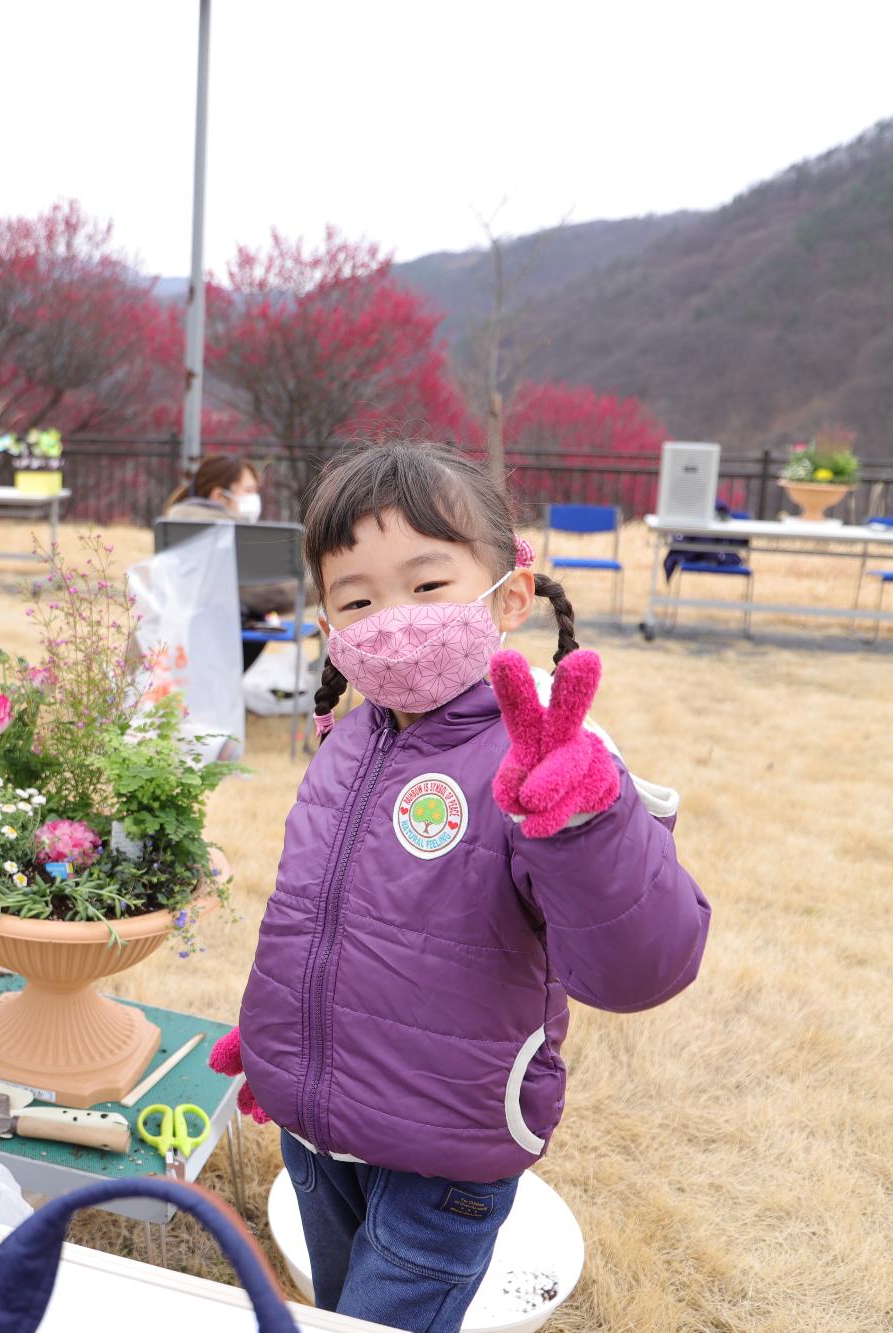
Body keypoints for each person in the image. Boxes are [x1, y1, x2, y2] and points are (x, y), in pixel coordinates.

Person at [212, 441, 710, 1331]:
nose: (391, 619)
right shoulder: (346, 746)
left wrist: (588, 823)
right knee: (337, 1311)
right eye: (356, 598)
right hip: (317, 1133)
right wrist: (278, 1042)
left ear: (509, 595)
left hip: (445, 1156)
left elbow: (641, 969)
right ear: (328, 625)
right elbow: (311, 919)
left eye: (427, 584)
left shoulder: (546, 762)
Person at [162, 456, 294, 670]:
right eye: (249, 491)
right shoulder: (230, 533)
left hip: (170, 642)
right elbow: (264, 594)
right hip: (214, 649)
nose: (255, 498)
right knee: (258, 616)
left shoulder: (173, 526)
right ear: (219, 497)